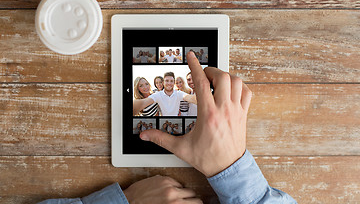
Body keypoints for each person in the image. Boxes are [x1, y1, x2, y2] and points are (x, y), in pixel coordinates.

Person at [38, 51, 296, 204]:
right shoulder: (158, 95)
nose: (170, 82)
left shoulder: (180, 94)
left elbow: (192, 99)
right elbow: (140, 105)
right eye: (167, 80)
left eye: (173, 79)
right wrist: (232, 168)